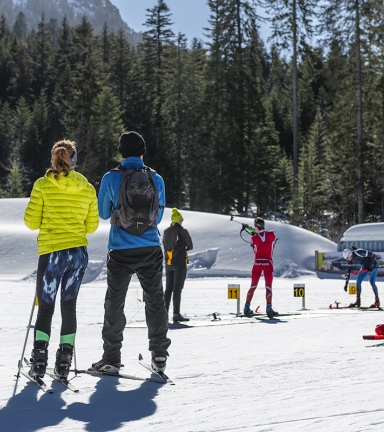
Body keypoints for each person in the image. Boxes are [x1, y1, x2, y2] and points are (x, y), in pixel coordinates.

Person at [90, 131, 171, 374]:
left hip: (120, 250)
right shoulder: (156, 178)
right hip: (149, 248)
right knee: (155, 300)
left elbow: (103, 214)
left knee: (115, 303)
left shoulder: (110, 177)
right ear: (142, 152)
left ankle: (111, 359)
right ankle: (159, 357)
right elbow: (158, 216)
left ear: (121, 152)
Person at [24, 139, 99, 379]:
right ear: (74, 161)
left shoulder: (42, 185)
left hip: (52, 254)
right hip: (77, 255)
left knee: (45, 308)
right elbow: (92, 226)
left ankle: (39, 360)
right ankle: (64, 361)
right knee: (69, 307)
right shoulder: (87, 187)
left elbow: (31, 222)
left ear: (54, 159)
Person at [163, 208, 193, 322]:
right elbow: (190, 245)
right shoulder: (182, 231)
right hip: (179, 263)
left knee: (168, 289)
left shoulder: (166, 231)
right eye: (182, 220)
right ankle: (176, 315)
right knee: (177, 290)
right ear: (179, 220)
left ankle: (164, 314)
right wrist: (184, 246)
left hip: (168, 263)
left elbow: (164, 245)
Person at [243, 217, 277, 318]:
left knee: (253, 286)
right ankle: (269, 308)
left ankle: (246, 308)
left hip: (257, 264)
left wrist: (255, 235)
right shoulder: (271, 235)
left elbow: (255, 250)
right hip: (268, 263)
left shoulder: (254, 238)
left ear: (256, 227)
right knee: (268, 287)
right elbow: (269, 235)